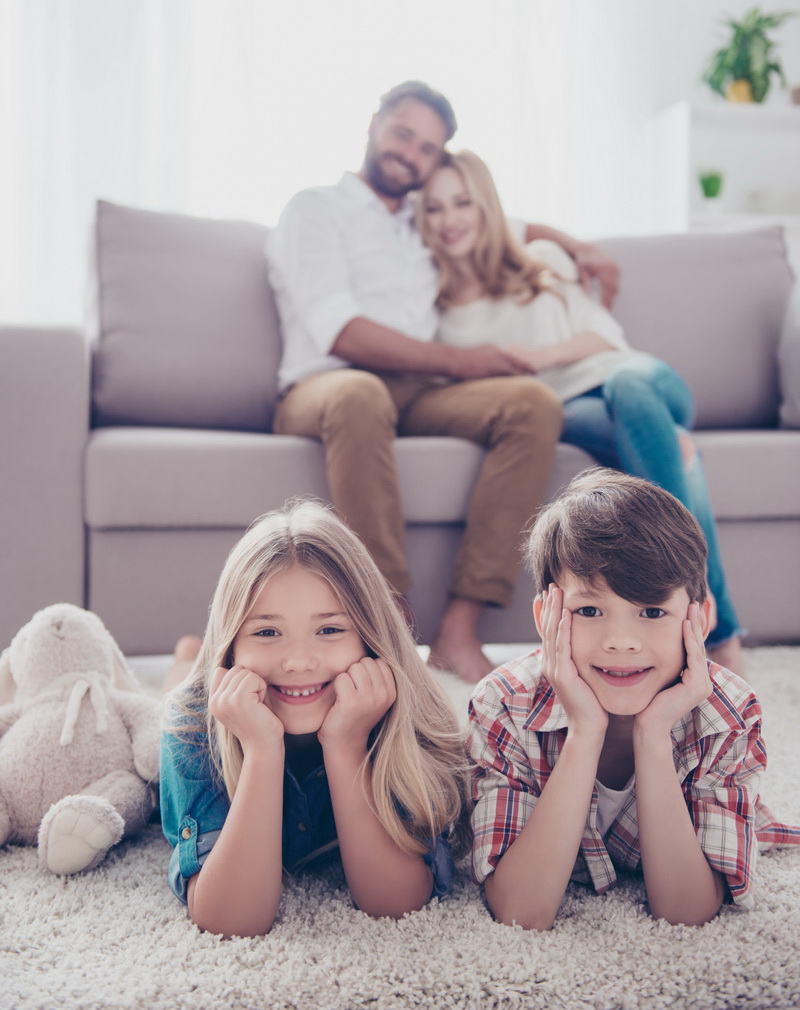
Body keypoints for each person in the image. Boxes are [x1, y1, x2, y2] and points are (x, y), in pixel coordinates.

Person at [265, 81, 620, 684]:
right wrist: (463, 361)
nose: (411, 153)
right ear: (374, 122)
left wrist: (575, 244)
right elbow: (340, 331)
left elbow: (504, 222)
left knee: (531, 402)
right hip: (325, 386)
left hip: (418, 392)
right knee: (360, 393)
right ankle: (390, 630)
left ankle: (459, 630)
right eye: (403, 134)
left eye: (428, 148)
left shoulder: (422, 216)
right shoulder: (315, 209)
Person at [418, 148, 743, 673]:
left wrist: (537, 359)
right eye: (433, 208)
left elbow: (604, 336)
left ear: (486, 207)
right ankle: (713, 634)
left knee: (634, 393)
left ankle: (715, 627)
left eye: (462, 203)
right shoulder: (435, 310)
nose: (448, 220)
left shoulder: (542, 257)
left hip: (632, 376)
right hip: (567, 408)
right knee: (661, 447)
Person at [467, 469, 800, 931]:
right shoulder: (503, 703)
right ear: (546, 617)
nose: (621, 641)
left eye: (652, 611)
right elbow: (521, 911)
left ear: (699, 621)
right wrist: (585, 733)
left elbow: (686, 913)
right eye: (589, 610)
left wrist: (653, 734)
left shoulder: (726, 712)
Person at [159, 500, 469, 939]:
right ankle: (187, 656)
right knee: (167, 697)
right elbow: (230, 920)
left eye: (329, 630)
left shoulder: (409, 714)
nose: (299, 661)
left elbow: (396, 906)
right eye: (267, 632)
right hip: (197, 697)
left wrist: (346, 745)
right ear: (230, 648)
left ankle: (189, 653)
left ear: (370, 639)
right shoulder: (192, 725)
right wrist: (262, 751)